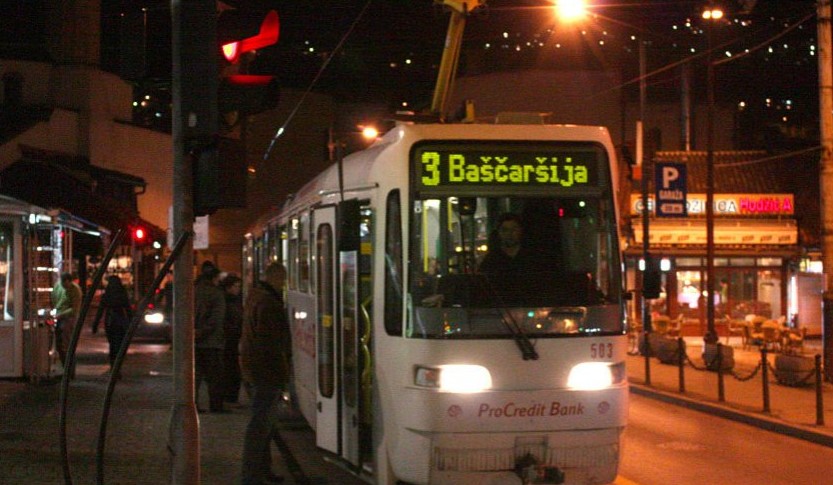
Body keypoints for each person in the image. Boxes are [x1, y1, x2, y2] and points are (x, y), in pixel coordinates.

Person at [240, 262, 291, 485]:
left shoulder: (256, 297)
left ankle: (262, 470)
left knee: (265, 426)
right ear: (277, 279)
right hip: (266, 373)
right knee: (261, 426)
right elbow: (272, 344)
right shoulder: (270, 304)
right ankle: (251, 475)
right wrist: (282, 374)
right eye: (284, 280)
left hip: (255, 370)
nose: (285, 285)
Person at [477, 213, 537, 304]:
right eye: (505, 230)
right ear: (499, 233)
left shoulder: (532, 257)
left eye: (514, 229)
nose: (510, 234)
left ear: (521, 231)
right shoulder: (492, 259)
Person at [194, 261, 227, 413]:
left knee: (195, 377)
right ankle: (216, 406)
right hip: (212, 342)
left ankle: (192, 405)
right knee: (215, 377)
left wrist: (193, 333)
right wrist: (203, 332)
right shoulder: (217, 294)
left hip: (193, 342)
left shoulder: (192, 290)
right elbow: (216, 319)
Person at [93, 275, 132, 375]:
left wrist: (95, 324)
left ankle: (113, 365)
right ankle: (117, 367)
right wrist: (132, 322)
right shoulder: (122, 294)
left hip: (110, 321)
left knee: (112, 345)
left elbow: (100, 310)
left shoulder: (107, 295)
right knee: (119, 345)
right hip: (120, 320)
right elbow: (128, 309)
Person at [52, 272, 82, 379]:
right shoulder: (74, 289)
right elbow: (75, 308)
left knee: (64, 345)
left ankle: (68, 371)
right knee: (65, 345)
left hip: (67, 318)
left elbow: (74, 309)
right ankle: (68, 371)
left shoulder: (71, 289)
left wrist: (58, 313)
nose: (64, 286)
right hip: (64, 317)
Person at [220, 273, 244, 405]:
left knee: (232, 369)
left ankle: (230, 397)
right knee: (231, 370)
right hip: (229, 340)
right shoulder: (227, 302)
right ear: (228, 287)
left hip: (232, 339)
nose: (238, 289)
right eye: (236, 286)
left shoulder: (234, 301)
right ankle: (229, 397)